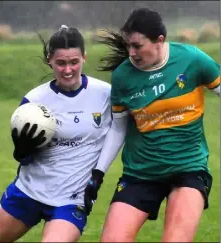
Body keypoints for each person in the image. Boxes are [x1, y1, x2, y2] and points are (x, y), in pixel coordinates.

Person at [84, 8, 220, 242]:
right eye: (128, 46)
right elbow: (118, 128)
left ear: (160, 40)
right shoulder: (122, 76)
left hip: (188, 168)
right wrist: (97, 174)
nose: (131, 53)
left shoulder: (193, 60)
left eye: (137, 46)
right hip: (141, 173)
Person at [0, 25, 112, 242]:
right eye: (61, 63)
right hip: (28, 191)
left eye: (74, 62)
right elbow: (25, 156)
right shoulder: (33, 101)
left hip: (71, 200)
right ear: (49, 60)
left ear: (84, 58)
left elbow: (123, 129)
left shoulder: (105, 95)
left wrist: (98, 177)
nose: (68, 69)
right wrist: (23, 151)